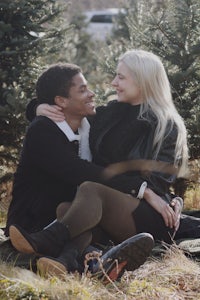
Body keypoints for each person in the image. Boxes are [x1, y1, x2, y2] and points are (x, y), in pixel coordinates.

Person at [8, 49, 193, 277]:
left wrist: (154, 194)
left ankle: (47, 240)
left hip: (146, 211)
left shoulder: (167, 126)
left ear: (143, 80)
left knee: (90, 189)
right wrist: (36, 107)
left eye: (121, 77)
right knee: (67, 208)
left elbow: (157, 184)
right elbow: (71, 105)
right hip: (108, 205)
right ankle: (67, 262)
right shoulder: (111, 113)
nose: (114, 83)